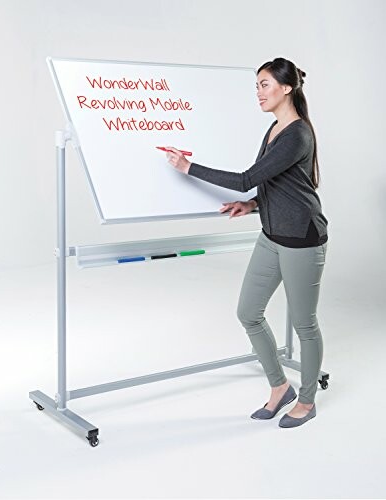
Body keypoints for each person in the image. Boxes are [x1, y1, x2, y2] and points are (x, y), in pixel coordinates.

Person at [165, 57, 328, 428]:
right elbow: (271, 183)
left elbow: (246, 177)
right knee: (248, 312)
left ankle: (306, 401)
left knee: (305, 325)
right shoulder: (273, 129)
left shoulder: (297, 134)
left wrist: (189, 168)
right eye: (257, 85)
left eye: (265, 84)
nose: (259, 92)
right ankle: (279, 388)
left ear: (287, 88)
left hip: (302, 239)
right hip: (272, 236)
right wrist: (252, 203)